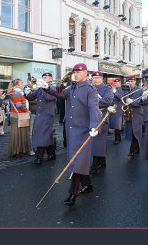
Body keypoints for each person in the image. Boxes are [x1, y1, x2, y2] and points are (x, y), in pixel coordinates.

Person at [45, 63, 101, 206]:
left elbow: (93, 108)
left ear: (86, 73)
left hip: (83, 130)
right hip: (71, 129)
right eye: (74, 72)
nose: (75, 74)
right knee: (77, 159)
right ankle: (87, 185)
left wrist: (95, 126)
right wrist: (47, 87)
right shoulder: (72, 87)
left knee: (76, 161)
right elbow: (61, 93)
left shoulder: (90, 90)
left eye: (79, 72)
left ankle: (72, 194)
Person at [25, 73, 58, 164]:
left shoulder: (53, 88)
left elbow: (50, 98)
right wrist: (27, 93)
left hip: (48, 115)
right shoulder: (39, 88)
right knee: (46, 135)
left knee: (42, 134)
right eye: (43, 77)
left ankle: (38, 157)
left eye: (46, 77)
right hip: (40, 114)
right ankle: (52, 154)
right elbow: (32, 98)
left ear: (50, 79)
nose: (43, 78)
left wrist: (45, 88)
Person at [89, 71, 113, 174]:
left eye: (97, 77)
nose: (94, 79)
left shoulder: (107, 89)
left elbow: (108, 100)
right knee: (97, 141)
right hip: (91, 117)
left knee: (98, 141)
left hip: (102, 117)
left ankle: (95, 165)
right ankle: (102, 161)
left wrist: (93, 102)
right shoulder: (89, 88)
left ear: (101, 78)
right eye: (93, 77)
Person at [7, 79, 31, 157]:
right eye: (21, 83)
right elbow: (19, 105)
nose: (22, 84)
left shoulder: (15, 92)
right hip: (19, 117)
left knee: (18, 134)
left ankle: (18, 150)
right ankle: (18, 151)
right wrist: (26, 110)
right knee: (19, 135)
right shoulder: (16, 93)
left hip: (17, 116)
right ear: (16, 85)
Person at [124, 75, 144, 158]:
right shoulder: (127, 90)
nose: (130, 83)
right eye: (129, 81)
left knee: (135, 132)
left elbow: (141, 102)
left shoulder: (140, 90)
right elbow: (123, 100)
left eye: (132, 81)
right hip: (129, 113)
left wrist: (132, 102)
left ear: (135, 81)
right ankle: (137, 148)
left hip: (137, 114)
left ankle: (132, 150)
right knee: (132, 132)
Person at [109, 78, 124, 144]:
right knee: (115, 124)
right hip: (113, 107)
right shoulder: (114, 89)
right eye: (115, 83)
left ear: (120, 83)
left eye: (117, 83)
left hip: (119, 108)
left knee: (117, 124)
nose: (116, 84)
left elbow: (121, 98)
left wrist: (115, 92)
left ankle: (117, 138)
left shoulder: (122, 89)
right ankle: (117, 137)